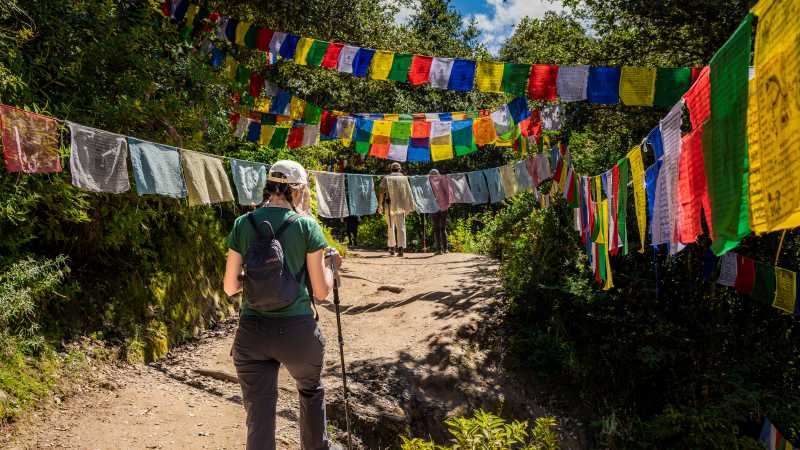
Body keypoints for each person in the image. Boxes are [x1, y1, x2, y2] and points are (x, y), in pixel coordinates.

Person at [223, 160, 342, 450]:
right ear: (298, 189)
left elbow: (229, 287)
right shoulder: (306, 226)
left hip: (253, 332)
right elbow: (321, 291)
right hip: (297, 332)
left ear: (270, 186)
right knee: (310, 392)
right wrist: (331, 266)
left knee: (259, 412)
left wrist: (254, 281)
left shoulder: (243, 224)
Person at [377, 162, 407, 257]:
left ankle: (392, 247)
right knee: (401, 226)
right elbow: (407, 193)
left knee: (390, 226)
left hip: (389, 204)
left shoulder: (387, 178)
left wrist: (380, 205)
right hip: (401, 205)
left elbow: (381, 191)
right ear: (399, 169)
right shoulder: (403, 178)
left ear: (391, 169)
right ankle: (401, 247)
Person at [428, 169, 449, 255]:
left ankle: (439, 250)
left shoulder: (428, 182)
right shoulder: (443, 179)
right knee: (443, 228)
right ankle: (445, 249)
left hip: (433, 207)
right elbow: (448, 192)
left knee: (436, 228)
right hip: (444, 206)